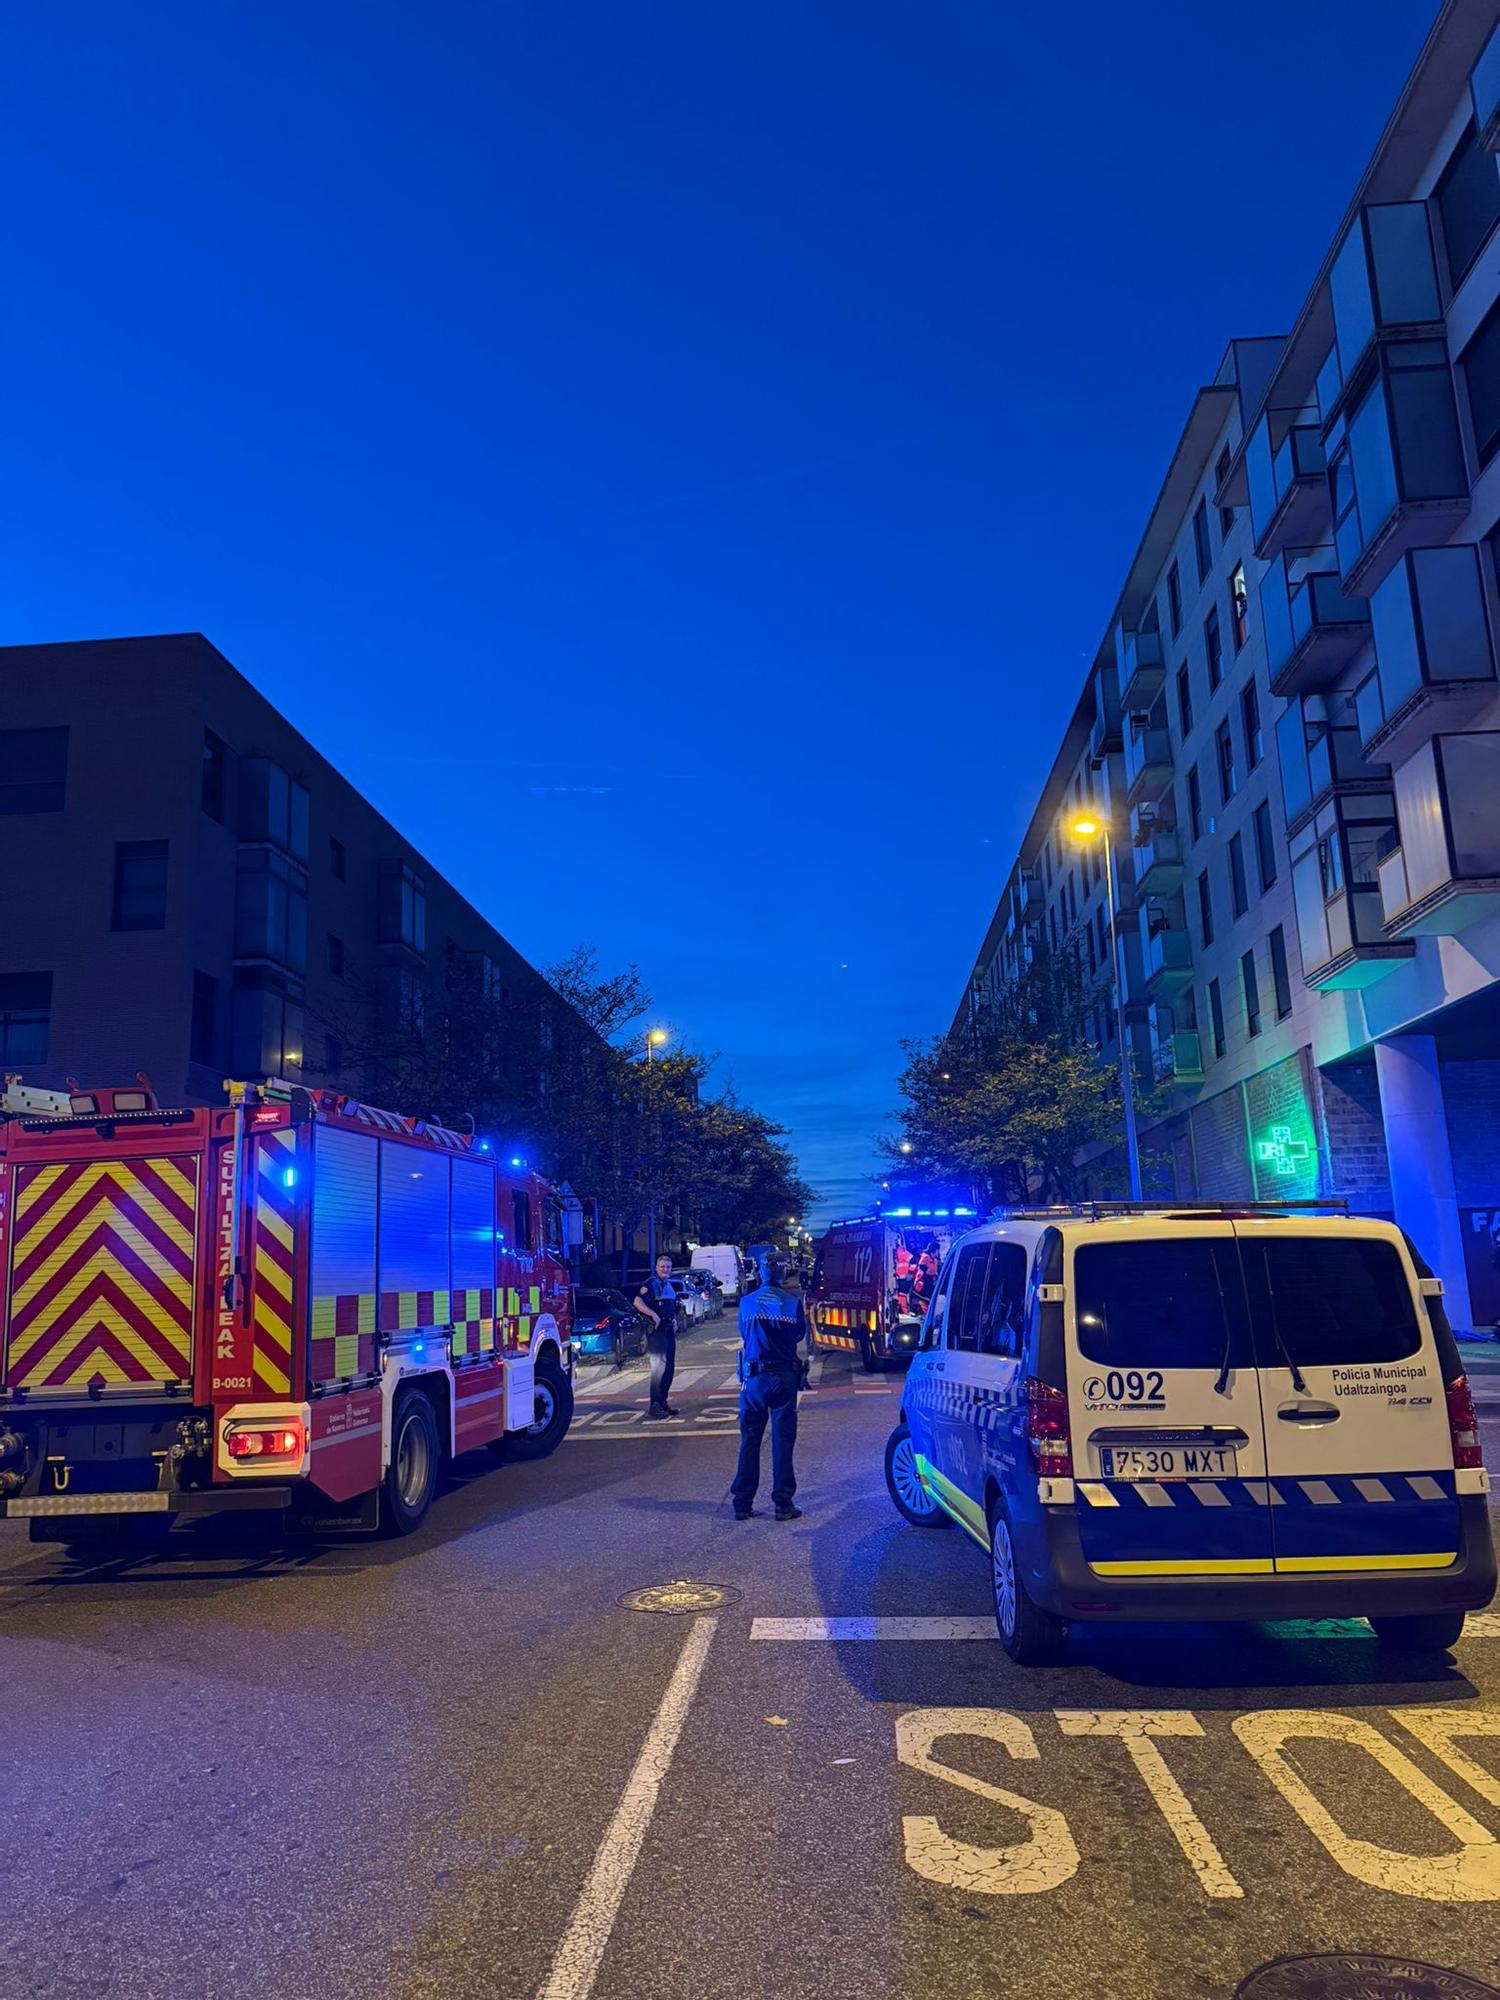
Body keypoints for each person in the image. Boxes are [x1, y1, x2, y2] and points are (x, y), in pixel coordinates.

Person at [731, 1250, 806, 1521]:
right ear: (782, 1273)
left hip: (753, 1379)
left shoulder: (746, 1303)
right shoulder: (791, 1302)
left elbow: (743, 1333)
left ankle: (742, 1502)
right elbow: (798, 1335)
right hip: (783, 1377)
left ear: (761, 1271)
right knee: (782, 1442)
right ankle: (783, 1503)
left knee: (749, 1440)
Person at [634, 1254, 682, 1420]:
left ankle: (663, 1402)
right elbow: (637, 1302)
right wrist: (653, 1314)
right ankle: (655, 1404)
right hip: (657, 1331)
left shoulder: (668, 1285)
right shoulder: (651, 1284)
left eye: (668, 1267)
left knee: (669, 1368)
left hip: (668, 1329)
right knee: (659, 1367)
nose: (665, 1269)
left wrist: (674, 1319)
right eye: (662, 1267)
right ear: (656, 1268)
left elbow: (671, 1307)